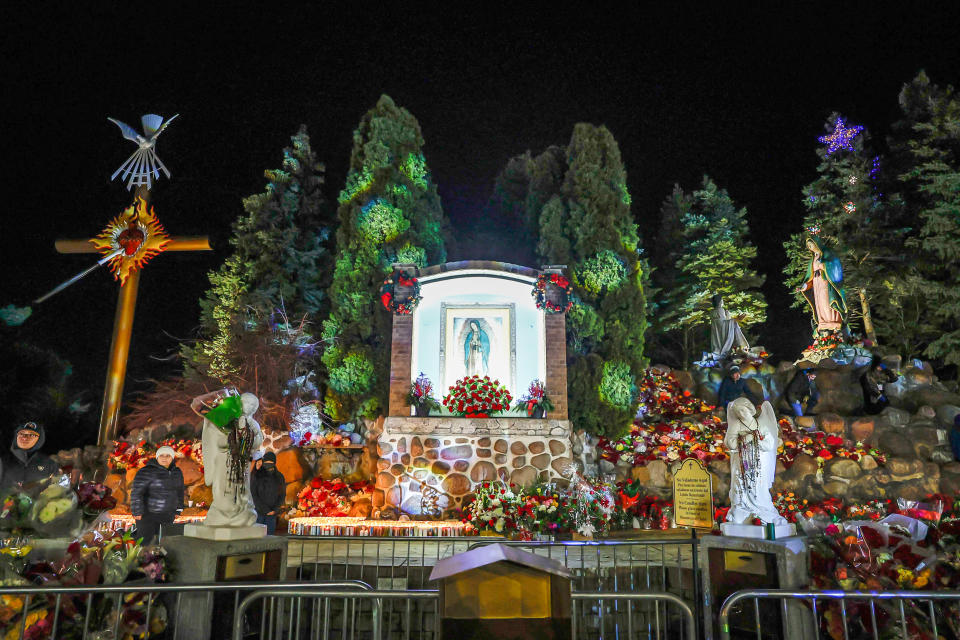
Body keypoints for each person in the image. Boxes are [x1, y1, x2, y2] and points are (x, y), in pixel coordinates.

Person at [724, 398, 786, 526]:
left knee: (759, 487)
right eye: (738, 411)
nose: (741, 413)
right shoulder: (736, 425)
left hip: (758, 464)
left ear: (750, 409)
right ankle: (742, 509)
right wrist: (745, 439)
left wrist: (756, 440)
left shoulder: (761, 425)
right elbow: (729, 443)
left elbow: (769, 444)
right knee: (740, 486)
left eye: (743, 410)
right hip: (741, 463)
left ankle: (761, 509)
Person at [130, 446, 184, 544]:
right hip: (148, 515)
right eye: (161, 455)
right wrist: (137, 511)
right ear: (157, 457)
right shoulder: (146, 471)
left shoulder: (177, 472)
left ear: (172, 458)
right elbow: (137, 492)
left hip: (167, 515)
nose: (164, 458)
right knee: (145, 543)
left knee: (163, 543)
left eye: (168, 456)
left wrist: (178, 509)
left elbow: (179, 491)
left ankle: (158, 559)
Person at [799, 236, 848, 332]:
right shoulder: (812, 259)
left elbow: (834, 264)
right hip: (817, 284)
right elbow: (810, 277)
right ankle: (823, 322)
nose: (810, 247)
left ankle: (833, 322)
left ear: (817, 243)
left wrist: (824, 265)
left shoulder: (827, 253)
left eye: (811, 244)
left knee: (827, 300)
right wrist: (804, 286)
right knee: (820, 303)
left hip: (825, 282)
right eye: (808, 246)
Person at [1, 421, 58, 490]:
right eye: (21, 433)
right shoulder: (3, 461)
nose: (24, 438)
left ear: (40, 439)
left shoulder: (49, 464)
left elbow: (58, 490)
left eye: (31, 435)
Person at [250, 452, 286, 535]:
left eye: (270, 463)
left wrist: (275, 510)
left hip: (272, 515)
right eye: (266, 463)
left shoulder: (279, 476)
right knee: (257, 538)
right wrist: (266, 510)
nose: (268, 465)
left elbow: (282, 494)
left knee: (270, 537)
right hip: (259, 513)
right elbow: (254, 494)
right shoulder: (257, 475)